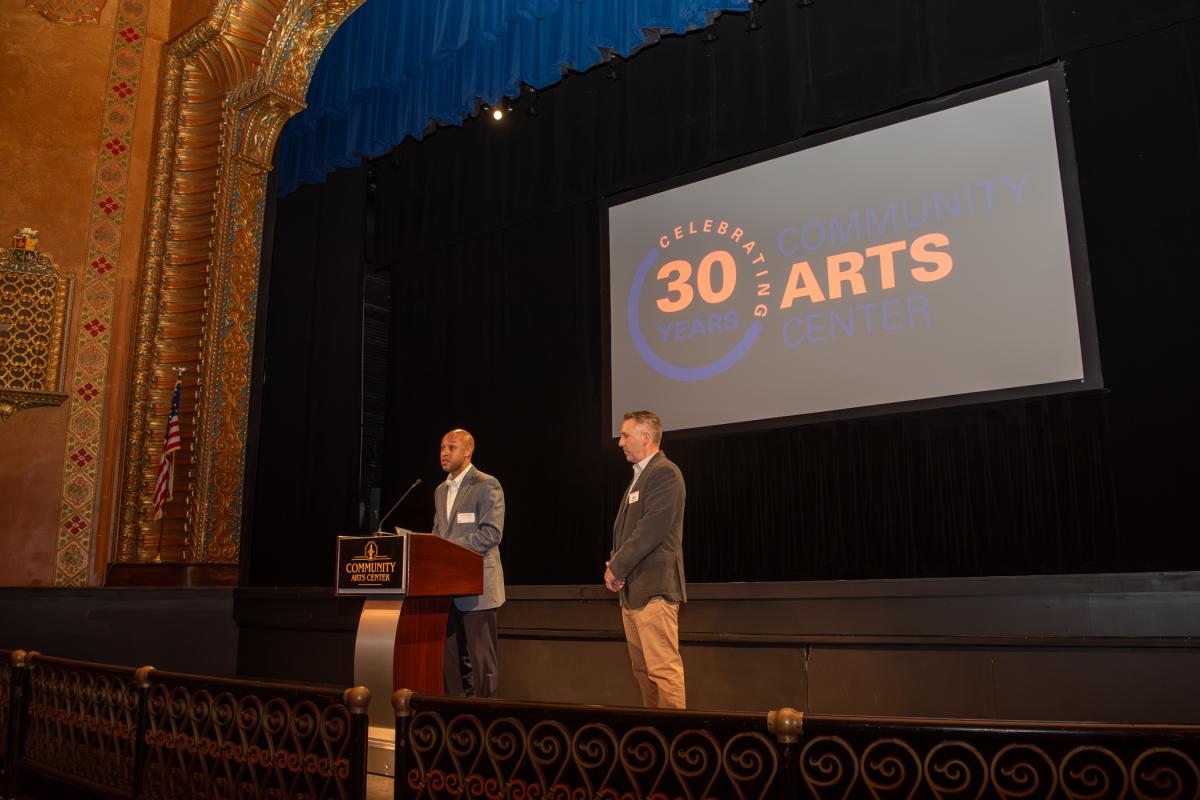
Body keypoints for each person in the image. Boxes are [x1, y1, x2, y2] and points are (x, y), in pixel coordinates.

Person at [604, 410, 687, 708]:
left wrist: (616, 566)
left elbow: (650, 531)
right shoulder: (640, 478)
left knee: (662, 672)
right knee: (643, 673)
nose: (620, 442)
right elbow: (629, 533)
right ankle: (654, 739)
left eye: (625, 435)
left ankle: (675, 745)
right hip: (634, 592)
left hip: (654, 590)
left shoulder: (664, 473)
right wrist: (618, 566)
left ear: (646, 437)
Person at [432, 428, 505, 698]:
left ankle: (488, 722)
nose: (444, 453)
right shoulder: (440, 490)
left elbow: (491, 534)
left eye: (451, 447)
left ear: (467, 450)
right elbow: (439, 532)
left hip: (478, 588)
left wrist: (447, 547)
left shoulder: (486, 484)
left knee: (481, 663)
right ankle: (457, 718)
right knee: (450, 661)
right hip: (445, 589)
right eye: (441, 447)